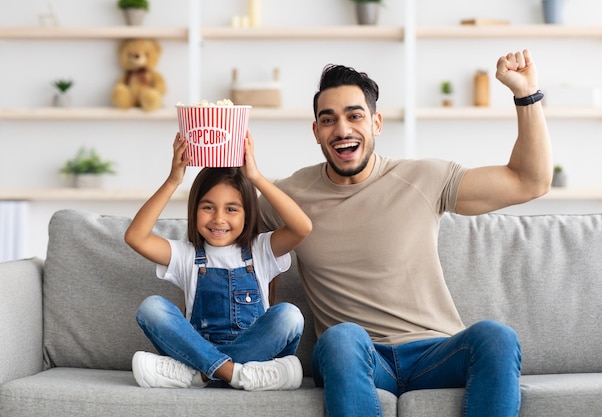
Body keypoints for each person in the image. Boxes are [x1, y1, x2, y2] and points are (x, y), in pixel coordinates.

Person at [258, 49, 551, 416]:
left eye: (355, 116)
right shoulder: (289, 196)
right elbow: (222, 227)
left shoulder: (424, 178)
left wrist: (527, 96)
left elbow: (530, 181)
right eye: (328, 120)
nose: (343, 130)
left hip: (435, 353)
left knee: (496, 337)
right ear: (316, 132)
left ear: (376, 123)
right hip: (358, 357)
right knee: (340, 337)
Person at [125, 131, 313, 391]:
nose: (219, 219)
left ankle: (200, 375)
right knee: (151, 308)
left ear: (248, 214)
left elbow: (302, 227)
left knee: (289, 316)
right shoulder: (186, 255)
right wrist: (173, 180)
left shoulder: (260, 249)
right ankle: (233, 374)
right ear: (194, 210)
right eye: (208, 207)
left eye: (232, 209)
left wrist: (256, 177)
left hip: (250, 351)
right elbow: (136, 237)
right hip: (204, 352)